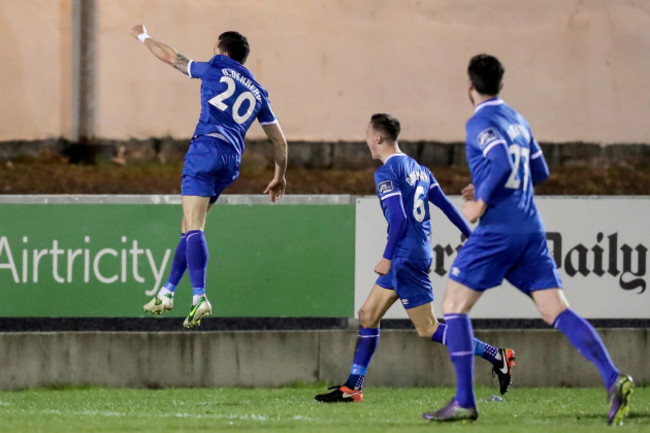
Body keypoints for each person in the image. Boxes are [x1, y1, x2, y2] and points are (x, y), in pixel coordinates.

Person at [423, 55, 633, 424]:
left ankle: (464, 401)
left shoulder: (479, 121)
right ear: (502, 85)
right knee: (557, 311)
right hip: (530, 229)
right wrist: (491, 182)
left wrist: (482, 201)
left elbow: (502, 162)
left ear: (469, 86)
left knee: (454, 305)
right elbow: (538, 170)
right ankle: (613, 378)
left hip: (497, 230)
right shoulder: (518, 120)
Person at [315, 113, 516, 403]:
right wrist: (470, 236)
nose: (366, 139)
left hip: (403, 257)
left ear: (379, 138)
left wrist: (386, 258)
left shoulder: (387, 172)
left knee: (428, 328)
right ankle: (353, 387)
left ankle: (497, 355)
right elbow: (446, 206)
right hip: (413, 253)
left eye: (368, 134)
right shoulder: (420, 169)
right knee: (368, 315)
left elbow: (398, 218)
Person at [130, 25, 288, 328]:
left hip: (206, 149)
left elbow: (172, 58)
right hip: (230, 160)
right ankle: (167, 292)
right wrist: (279, 176)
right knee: (188, 224)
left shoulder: (216, 66)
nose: (212, 52)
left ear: (223, 52)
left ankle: (199, 297)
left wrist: (144, 37)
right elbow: (280, 142)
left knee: (195, 227)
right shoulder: (258, 91)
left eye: (214, 48)